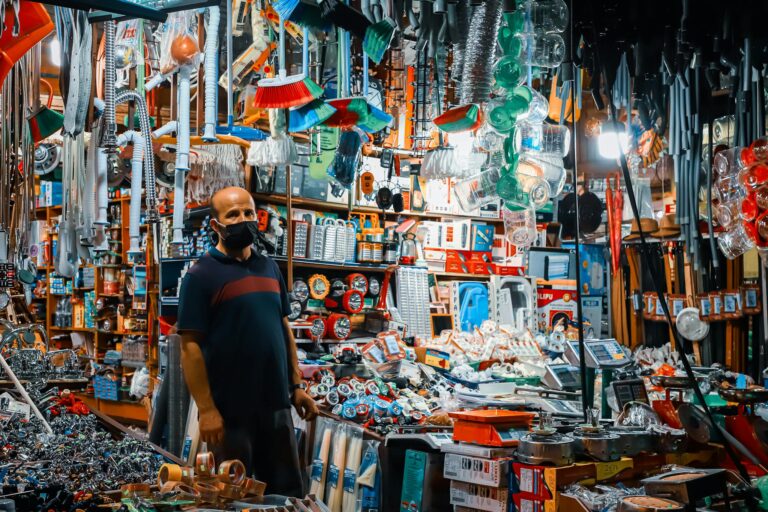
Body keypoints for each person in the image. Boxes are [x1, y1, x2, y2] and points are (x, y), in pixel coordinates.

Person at [177, 186, 318, 497]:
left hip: (276, 408)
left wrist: (296, 387)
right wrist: (207, 409)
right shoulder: (200, 276)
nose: (244, 219)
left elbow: (283, 330)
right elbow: (189, 348)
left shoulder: (268, 267)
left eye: (249, 213)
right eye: (233, 215)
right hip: (230, 415)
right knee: (232, 497)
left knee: (286, 496)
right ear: (215, 225)